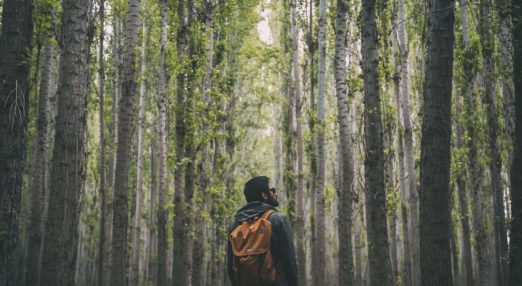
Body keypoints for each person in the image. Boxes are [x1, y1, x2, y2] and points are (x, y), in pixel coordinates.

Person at [227, 176, 298, 286]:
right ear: (264, 195)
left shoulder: (235, 225)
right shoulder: (277, 220)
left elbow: (231, 267)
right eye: (271, 190)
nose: (275, 193)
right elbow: (289, 264)